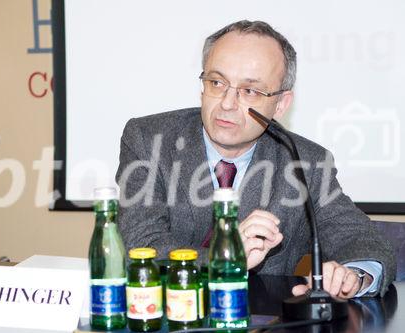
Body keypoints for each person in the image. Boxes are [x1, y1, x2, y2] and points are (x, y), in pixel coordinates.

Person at [115, 20, 396, 298]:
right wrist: (226, 256)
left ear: (281, 104)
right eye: (216, 82)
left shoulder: (305, 163)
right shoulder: (149, 140)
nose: (226, 103)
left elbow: (362, 240)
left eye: (250, 91)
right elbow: (141, 246)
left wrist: (355, 276)